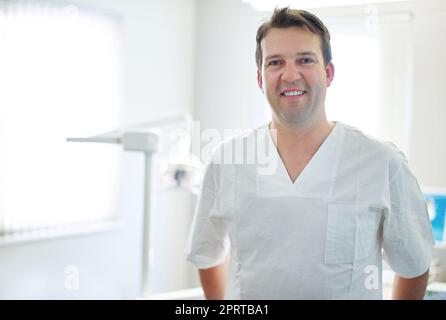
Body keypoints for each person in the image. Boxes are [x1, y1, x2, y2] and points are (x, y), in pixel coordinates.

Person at [185, 7, 433, 300]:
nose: (290, 75)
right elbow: (206, 254)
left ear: (328, 73)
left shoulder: (381, 162)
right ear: (260, 79)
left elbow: (414, 266)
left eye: (305, 60)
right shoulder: (227, 161)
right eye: (275, 62)